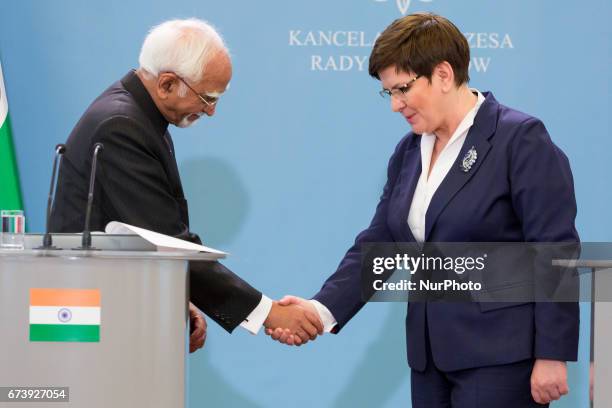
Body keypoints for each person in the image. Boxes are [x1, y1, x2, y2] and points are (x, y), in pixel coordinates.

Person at [268, 13, 579, 407]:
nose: (396, 105)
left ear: (444, 74)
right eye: (389, 93)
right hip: (430, 361)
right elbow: (380, 243)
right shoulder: (409, 151)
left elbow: (554, 250)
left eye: (402, 89)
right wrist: (321, 308)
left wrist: (552, 354)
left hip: (502, 359)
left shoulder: (519, 138)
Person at [50, 18, 323, 352]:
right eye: (207, 97)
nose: (211, 111)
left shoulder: (138, 114)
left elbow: (139, 238)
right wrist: (268, 312)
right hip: (94, 324)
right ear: (166, 83)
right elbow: (165, 241)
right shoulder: (122, 125)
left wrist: (176, 291)